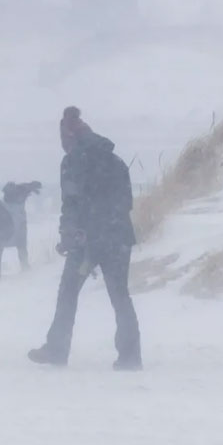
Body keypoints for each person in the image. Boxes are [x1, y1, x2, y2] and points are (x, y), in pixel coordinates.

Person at [29, 107, 142, 370]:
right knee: (120, 296)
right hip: (117, 237)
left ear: (69, 138)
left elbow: (71, 203)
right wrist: (107, 224)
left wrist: (69, 234)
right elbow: (126, 201)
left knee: (68, 292)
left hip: (86, 240)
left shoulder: (72, 161)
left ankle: (57, 349)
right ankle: (130, 357)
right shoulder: (114, 160)